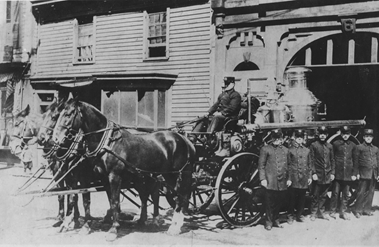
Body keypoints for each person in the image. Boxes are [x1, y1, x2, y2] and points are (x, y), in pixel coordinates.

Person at [190, 76, 241, 156]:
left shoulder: (236, 95)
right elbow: (216, 105)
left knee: (216, 117)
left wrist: (222, 113)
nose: (224, 85)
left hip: (229, 118)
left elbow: (232, 108)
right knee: (203, 118)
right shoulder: (222, 95)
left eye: (226, 83)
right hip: (221, 117)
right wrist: (208, 112)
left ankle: (208, 136)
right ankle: (193, 137)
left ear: (232, 84)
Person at [259, 129, 291, 230]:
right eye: (274, 138)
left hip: (282, 180)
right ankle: (268, 222)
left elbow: (289, 166)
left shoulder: (286, 150)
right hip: (270, 181)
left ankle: (276, 220)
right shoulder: (265, 149)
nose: (277, 140)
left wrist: (289, 179)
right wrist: (263, 178)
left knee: (279, 202)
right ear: (271, 139)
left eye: (279, 138)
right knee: (269, 202)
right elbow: (261, 165)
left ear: (282, 139)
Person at [329, 126, 356, 220]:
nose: (345, 136)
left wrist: (354, 174)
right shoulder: (335, 144)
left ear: (350, 134)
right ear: (341, 134)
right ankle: (332, 211)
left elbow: (355, 160)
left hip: (348, 174)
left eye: (347, 134)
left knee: (345, 194)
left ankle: (343, 212)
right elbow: (332, 159)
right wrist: (333, 172)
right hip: (338, 173)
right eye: (343, 134)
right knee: (335, 193)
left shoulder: (353, 145)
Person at [309, 126, 335, 221]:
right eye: (321, 134)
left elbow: (332, 160)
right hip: (318, 175)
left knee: (324, 195)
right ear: (318, 135)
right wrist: (314, 173)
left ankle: (322, 212)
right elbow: (311, 160)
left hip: (327, 174)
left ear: (327, 135)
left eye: (324, 134)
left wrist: (332, 173)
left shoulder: (329, 146)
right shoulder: (314, 145)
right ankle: (313, 213)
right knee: (315, 195)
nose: (322, 136)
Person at [353, 128, 379, 218]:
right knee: (361, 192)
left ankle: (367, 210)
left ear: (372, 138)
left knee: (371, 192)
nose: (368, 138)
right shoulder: (359, 147)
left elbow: (377, 162)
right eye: (367, 136)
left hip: (373, 174)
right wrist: (356, 173)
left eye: (370, 136)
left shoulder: (375, 149)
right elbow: (356, 162)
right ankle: (358, 210)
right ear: (364, 137)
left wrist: (378, 174)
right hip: (363, 173)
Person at [287, 129, 312, 224]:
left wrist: (309, 177)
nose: (299, 139)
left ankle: (299, 215)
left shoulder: (307, 150)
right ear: (295, 138)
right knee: (292, 198)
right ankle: (290, 216)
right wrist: (289, 179)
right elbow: (288, 165)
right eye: (298, 137)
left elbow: (309, 165)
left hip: (304, 178)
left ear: (303, 138)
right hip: (294, 178)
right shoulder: (290, 150)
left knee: (302, 198)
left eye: (301, 137)